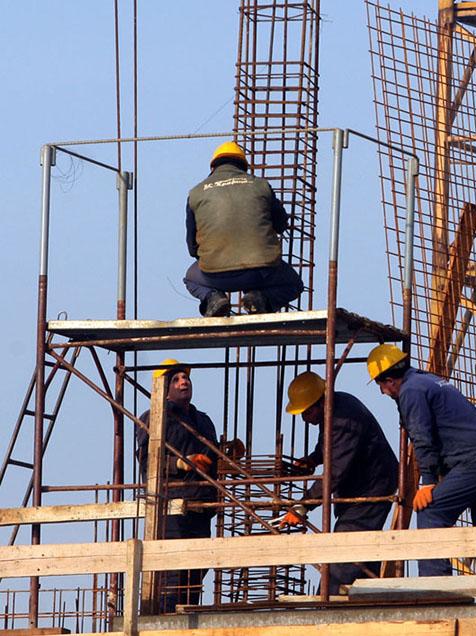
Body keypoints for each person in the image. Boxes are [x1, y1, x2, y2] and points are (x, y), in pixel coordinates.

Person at [366, 344, 476, 577]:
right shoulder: (426, 380)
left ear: (390, 380)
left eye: (380, 384)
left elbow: (423, 439)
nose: (382, 392)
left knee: (430, 510)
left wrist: (427, 482)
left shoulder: (411, 392)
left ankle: (437, 588)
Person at [279, 371, 398, 594]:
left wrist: (302, 506)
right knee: (363, 552)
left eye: (306, 412)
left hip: (371, 488)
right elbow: (329, 446)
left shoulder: (342, 418)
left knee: (343, 552)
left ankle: (327, 606)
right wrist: (314, 459)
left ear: (318, 402)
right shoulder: (335, 408)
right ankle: (366, 600)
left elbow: (335, 472)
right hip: (364, 485)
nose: (304, 419)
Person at [182, 141, 304, 317]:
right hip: (261, 273)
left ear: (213, 167)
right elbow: (281, 224)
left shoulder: (196, 193)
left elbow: (192, 248)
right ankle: (259, 298)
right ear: (243, 166)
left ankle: (214, 298)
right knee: (293, 284)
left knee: (191, 278)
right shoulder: (260, 185)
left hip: (214, 275)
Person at [136, 359, 219, 611]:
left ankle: (187, 619)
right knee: (171, 574)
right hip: (170, 509)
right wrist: (182, 464)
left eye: (185, 377)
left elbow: (212, 461)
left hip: (200, 508)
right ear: (164, 387)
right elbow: (149, 462)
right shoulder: (153, 418)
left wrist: (227, 455)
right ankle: (164, 619)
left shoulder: (203, 420)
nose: (184, 382)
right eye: (175, 379)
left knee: (194, 575)